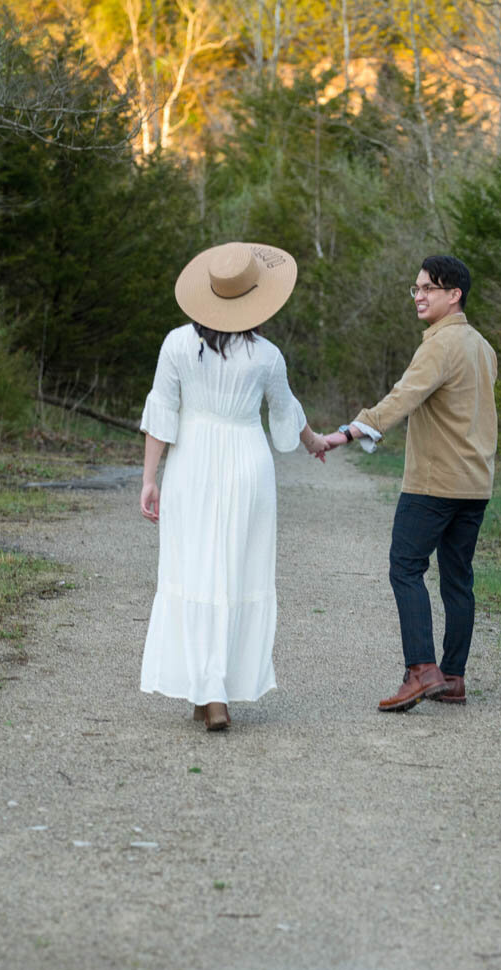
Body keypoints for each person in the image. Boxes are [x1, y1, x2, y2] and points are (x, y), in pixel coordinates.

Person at [139, 241, 329, 730]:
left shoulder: (176, 343)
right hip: (247, 463)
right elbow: (287, 416)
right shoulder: (266, 355)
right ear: (253, 297)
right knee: (235, 572)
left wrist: (148, 479)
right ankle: (214, 689)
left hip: (192, 463)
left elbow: (162, 414)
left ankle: (207, 690)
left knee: (195, 569)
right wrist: (315, 442)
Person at [325, 254, 497, 712]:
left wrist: (349, 431)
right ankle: (453, 677)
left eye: (429, 289)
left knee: (405, 567)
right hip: (475, 484)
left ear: (453, 295)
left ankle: (422, 671)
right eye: (416, 288)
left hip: (434, 482)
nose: (419, 296)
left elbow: (403, 396)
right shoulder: (482, 345)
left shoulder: (440, 346)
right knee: (457, 580)